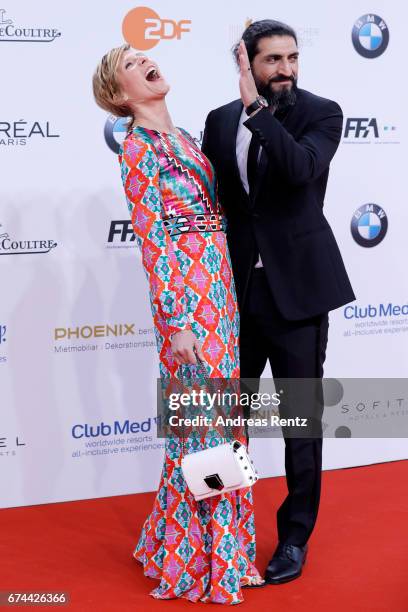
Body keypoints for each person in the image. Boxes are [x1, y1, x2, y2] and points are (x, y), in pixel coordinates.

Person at [92, 43, 264, 604]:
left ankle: (207, 546)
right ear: (120, 95)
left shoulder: (185, 137)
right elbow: (153, 238)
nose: (145, 61)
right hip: (188, 298)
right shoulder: (138, 148)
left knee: (217, 419)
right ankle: (202, 557)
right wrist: (177, 322)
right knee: (202, 425)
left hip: (218, 287)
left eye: (146, 55)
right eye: (129, 64)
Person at [202, 20, 356, 585]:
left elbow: (300, 169)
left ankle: (294, 538)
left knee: (299, 424)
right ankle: (224, 527)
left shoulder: (322, 112)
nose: (286, 69)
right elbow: (215, 205)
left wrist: (257, 111)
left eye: (292, 57)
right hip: (237, 297)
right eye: (272, 60)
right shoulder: (219, 122)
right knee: (226, 421)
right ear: (246, 63)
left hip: (298, 296)